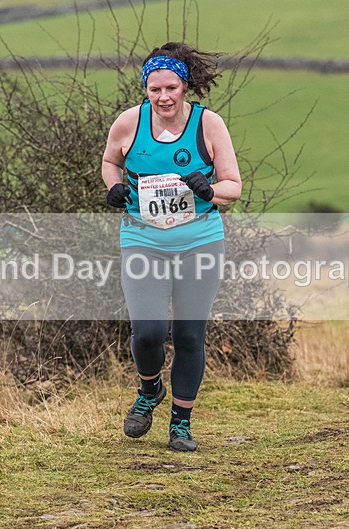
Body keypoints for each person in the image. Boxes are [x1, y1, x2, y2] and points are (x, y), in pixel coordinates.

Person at [101, 42, 242, 452]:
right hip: (143, 240)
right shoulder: (129, 123)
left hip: (200, 241)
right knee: (147, 332)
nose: (163, 97)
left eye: (171, 88)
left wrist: (210, 189)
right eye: (155, 89)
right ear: (146, 89)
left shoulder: (208, 124)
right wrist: (114, 188)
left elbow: (233, 186)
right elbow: (110, 161)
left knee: (189, 335)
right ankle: (150, 390)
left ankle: (180, 424)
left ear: (185, 86)